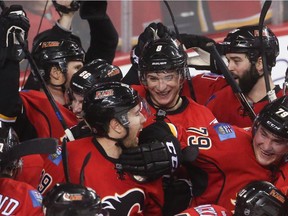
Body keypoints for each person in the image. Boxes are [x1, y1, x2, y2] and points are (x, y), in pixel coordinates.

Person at [62, 82, 184, 215]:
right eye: (137, 113)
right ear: (117, 126)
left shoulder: (149, 162)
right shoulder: (66, 155)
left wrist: (173, 145)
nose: (143, 118)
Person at [122, 22, 228, 105]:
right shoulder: (136, 98)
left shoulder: (201, 88)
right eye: (153, 78)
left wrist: (223, 62)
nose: (161, 87)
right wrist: (138, 64)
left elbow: (241, 87)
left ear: (181, 75)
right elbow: (112, 101)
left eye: (168, 77)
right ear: (144, 79)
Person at [205, 25, 282, 127]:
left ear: (260, 63)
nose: (229, 67)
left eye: (236, 60)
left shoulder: (283, 105)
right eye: (228, 60)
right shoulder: (219, 101)